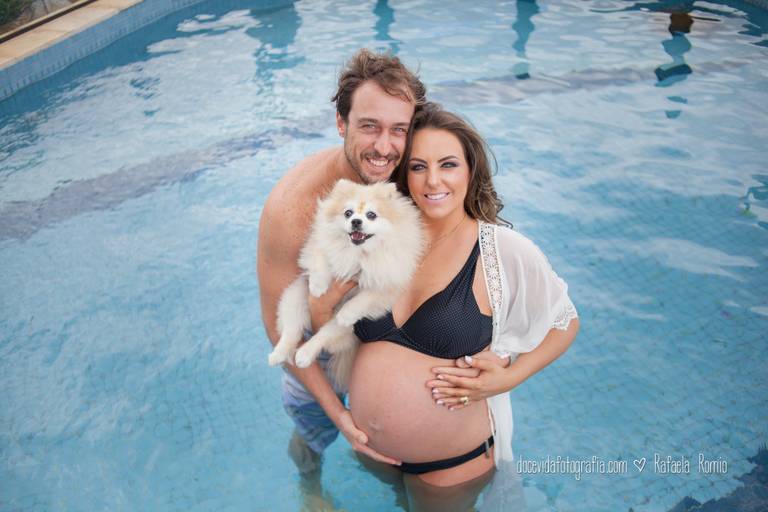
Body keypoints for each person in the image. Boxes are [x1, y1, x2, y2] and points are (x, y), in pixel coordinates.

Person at [345, 105, 580, 509]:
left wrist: (509, 377)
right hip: (373, 453)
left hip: (449, 467)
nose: (433, 180)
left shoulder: (500, 249)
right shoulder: (380, 238)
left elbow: (565, 321)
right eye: (418, 167)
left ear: (470, 170)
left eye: (448, 164)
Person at [257, 48, 427, 476]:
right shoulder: (292, 208)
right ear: (340, 123)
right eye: (369, 127)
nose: (384, 147)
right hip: (319, 367)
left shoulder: (414, 178)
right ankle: (309, 484)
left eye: (398, 131)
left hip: (386, 356)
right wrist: (339, 416)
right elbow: (277, 325)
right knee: (310, 440)